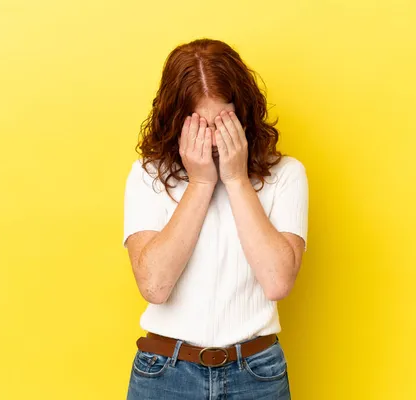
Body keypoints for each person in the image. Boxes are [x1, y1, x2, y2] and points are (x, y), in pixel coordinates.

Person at [122, 38, 309, 400]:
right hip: (164, 374)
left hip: (256, 374)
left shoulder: (286, 175)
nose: (211, 138)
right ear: (175, 119)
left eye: (223, 120)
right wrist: (202, 181)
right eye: (199, 124)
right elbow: (154, 287)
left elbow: (277, 282)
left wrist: (237, 179)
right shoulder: (147, 175)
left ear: (243, 113)